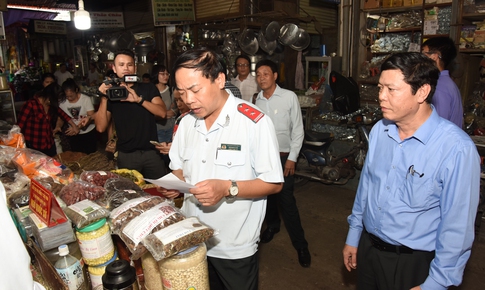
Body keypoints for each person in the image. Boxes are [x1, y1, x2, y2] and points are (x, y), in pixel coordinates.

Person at [342, 52, 480, 290]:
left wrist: (436, 283)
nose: (381, 97)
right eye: (380, 88)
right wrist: (354, 236)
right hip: (368, 249)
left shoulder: (456, 148)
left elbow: (457, 226)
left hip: (412, 263)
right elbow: (366, 187)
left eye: (391, 89)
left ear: (423, 92)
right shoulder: (380, 131)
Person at [164, 48, 284, 290]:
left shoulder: (253, 123)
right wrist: (175, 185)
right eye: (182, 92)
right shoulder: (186, 123)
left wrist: (228, 188)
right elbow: (178, 168)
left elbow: (273, 183)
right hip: (191, 239)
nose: (188, 100)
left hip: (233, 246)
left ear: (219, 79)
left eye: (195, 90)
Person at [254, 59, 310, 268]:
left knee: (287, 201)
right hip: (263, 158)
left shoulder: (289, 97)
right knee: (267, 196)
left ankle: (301, 245)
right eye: (258, 74)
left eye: (265, 73)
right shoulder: (256, 100)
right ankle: (273, 226)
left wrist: (293, 158)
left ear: (275, 75)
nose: (261, 78)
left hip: (285, 157)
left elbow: (298, 129)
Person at [95, 49, 167, 179]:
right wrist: (104, 98)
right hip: (126, 154)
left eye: (129, 64)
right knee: (129, 194)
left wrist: (139, 100)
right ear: (114, 68)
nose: (126, 68)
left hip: (151, 152)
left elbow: (162, 113)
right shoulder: (112, 93)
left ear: (135, 67)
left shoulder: (147, 88)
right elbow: (100, 127)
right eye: (121, 65)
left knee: (162, 191)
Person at [17, 84, 79, 157]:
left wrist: (74, 126)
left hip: (49, 144)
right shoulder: (30, 104)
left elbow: (63, 114)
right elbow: (19, 126)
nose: (57, 103)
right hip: (34, 146)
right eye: (56, 100)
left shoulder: (51, 105)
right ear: (49, 97)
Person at [422, 36, 463, 128]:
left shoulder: (440, 87)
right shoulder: (444, 82)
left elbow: (438, 126)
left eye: (424, 54)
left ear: (434, 57)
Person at [59, 78, 97, 154]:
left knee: (91, 156)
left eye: (71, 96)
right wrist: (58, 126)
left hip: (88, 132)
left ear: (76, 90)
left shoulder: (85, 99)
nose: (69, 98)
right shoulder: (62, 102)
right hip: (73, 134)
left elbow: (91, 116)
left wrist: (78, 127)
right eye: (67, 96)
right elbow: (61, 117)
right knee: (77, 156)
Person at [155, 89, 190, 156]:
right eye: (176, 100)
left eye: (181, 100)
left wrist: (175, 149)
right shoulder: (180, 118)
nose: (178, 104)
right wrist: (169, 145)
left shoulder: (196, 120)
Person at [151, 65, 176, 144]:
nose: (166, 76)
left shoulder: (171, 91)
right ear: (156, 75)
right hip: (156, 130)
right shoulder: (150, 91)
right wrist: (163, 113)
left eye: (167, 74)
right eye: (162, 74)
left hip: (171, 128)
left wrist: (159, 113)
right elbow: (150, 115)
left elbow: (173, 112)